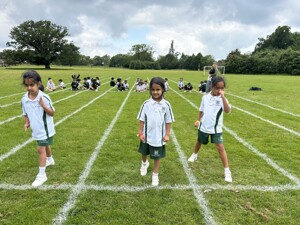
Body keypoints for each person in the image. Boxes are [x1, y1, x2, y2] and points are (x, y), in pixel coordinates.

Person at [188, 76, 232, 183]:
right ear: (211, 86)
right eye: (217, 88)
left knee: (220, 147)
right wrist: (198, 120)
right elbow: (201, 111)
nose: (219, 90)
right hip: (204, 126)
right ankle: (194, 155)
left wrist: (223, 97)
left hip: (216, 129)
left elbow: (227, 110)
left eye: (222, 88)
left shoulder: (222, 99)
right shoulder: (205, 97)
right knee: (199, 141)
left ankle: (227, 171)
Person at [137, 77, 175, 186]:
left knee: (157, 156)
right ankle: (144, 164)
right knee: (144, 152)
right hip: (146, 135)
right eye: (153, 90)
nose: (155, 92)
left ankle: (155, 175)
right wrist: (140, 132)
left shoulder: (166, 105)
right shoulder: (146, 104)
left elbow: (168, 121)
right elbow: (141, 119)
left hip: (159, 137)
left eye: (158, 89)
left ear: (163, 89)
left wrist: (167, 134)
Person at [21, 70, 56, 187]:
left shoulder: (44, 97)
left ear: (39, 84)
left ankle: (42, 175)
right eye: (27, 85)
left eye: (32, 85)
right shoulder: (24, 99)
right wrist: (27, 123)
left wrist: (44, 106)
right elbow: (25, 113)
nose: (29, 88)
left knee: (40, 149)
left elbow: (52, 113)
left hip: (44, 129)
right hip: (36, 129)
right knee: (45, 145)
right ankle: (50, 159)